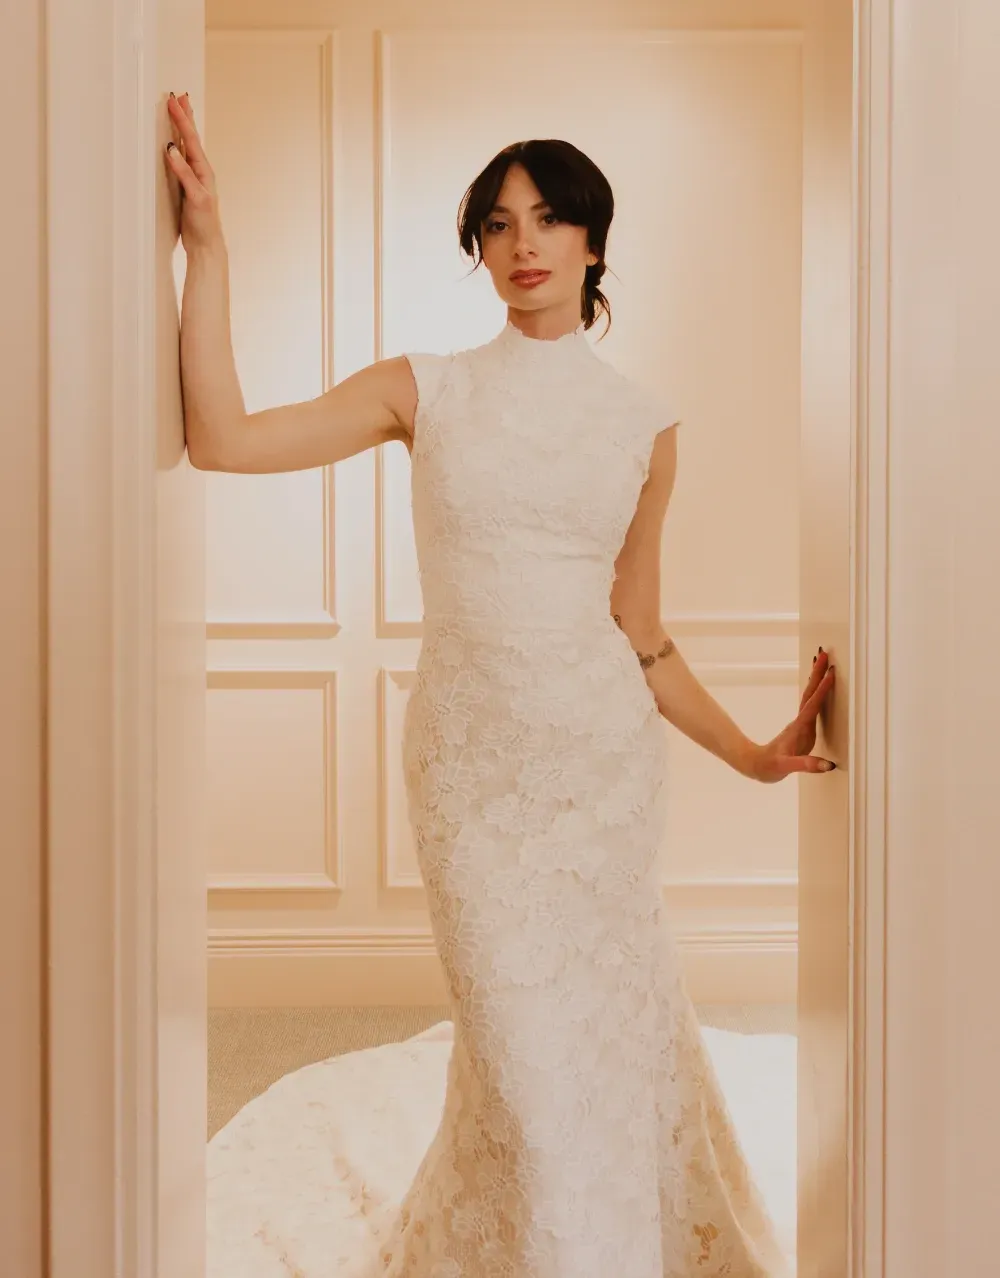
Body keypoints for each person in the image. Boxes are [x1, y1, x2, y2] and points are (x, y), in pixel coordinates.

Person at [167, 90, 835, 1278]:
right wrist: (205, 247)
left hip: (600, 775)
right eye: (496, 223)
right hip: (472, 773)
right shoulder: (424, 387)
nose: (522, 244)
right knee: (520, 1056)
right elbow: (223, 439)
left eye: (548, 219)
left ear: (592, 242)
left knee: (594, 1038)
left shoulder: (643, 424)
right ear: (478, 247)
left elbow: (640, 633)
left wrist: (749, 753)